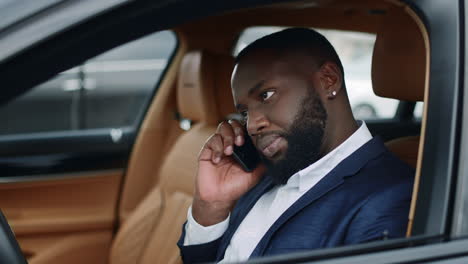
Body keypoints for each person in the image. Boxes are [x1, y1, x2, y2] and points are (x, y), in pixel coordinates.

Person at [177, 28, 414, 263]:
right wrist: (211, 207)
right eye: (245, 112)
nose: (252, 125)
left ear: (328, 80)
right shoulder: (260, 174)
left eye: (266, 95)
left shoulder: (390, 198)